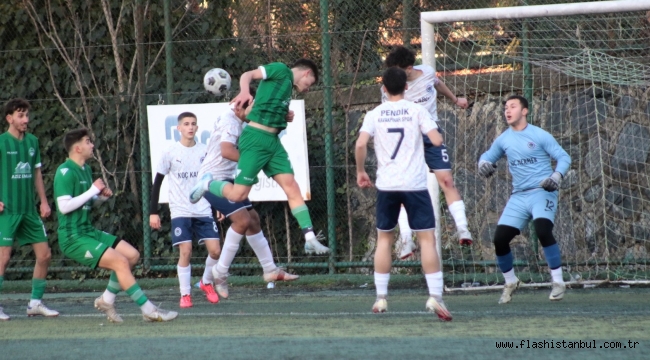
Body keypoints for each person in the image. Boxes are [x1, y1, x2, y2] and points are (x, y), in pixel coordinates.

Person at [190, 58, 329, 255]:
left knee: (292, 186)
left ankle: (310, 238)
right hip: (255, 140)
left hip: (273, 143)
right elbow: (248, 75)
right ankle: (207, 184)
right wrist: (245, 91)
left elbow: (266, 108)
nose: (307, 89)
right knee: (239, 194)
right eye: (310, 83)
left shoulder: (287, 87)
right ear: (307, 73)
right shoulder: (281, 70)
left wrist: (284, 116)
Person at [355, 67, 452, 321]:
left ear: (383, 88)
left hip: (387, 185)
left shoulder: (374, 114)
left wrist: (361, 171)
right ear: (406, 87)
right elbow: (436, 139)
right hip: (414, 184)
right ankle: (435, 297)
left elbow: (360, 144)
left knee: (384, 240)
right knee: (427, 240)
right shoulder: (417, 110)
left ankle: (381, 298)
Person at [54, 128, 177, 322]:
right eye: (88, 142)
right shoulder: (65, 171)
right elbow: (64, 207)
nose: (92, 145)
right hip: (73, 237)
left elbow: (83, 202)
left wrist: (98, 198)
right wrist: (92, 191)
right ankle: (148, 309)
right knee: (120, 262)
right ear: (77, 148)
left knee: (132, 256)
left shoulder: (85, 169)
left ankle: (107, 299)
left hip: (87, 231)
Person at [196, 91, 298, 299]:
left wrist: (284, 115)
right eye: (251, 107)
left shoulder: (245, 118)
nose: (255, 111)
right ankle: (220, 272)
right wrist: (252, 162)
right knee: (242, 221)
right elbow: (226, 150)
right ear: (238, 108)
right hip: (212, 179)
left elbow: (267, 117)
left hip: (228, 178)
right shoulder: (231, 121)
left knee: (253, 220)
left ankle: (270, 269)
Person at [478, 95, 570, 304]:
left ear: (525, 111)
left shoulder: (539, 135)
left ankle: (558, 282)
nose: (507, 111)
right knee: (499, 239)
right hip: (519, 196)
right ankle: (510, 282)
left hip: (542, 192)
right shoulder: (503, 139)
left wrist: (556, 176)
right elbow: (487, 156)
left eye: (512, 106)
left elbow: (564, 157)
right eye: (505, 108)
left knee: (543, 230)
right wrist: (482, 163)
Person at [383, 46, 472, 259]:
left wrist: (455, 99)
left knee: (447, 181)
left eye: (397, 71)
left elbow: (438, 83)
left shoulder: (427, 73)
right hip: (406, 140)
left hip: (430, 133)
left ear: (409, 68)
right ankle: (406, 240)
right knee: (402, 188)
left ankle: (462, 228)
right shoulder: (390, 86)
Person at [149, 112, 221, 308]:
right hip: (180, 210)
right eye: (186, 124)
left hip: (203, 209)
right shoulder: (170, 152)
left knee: (215, 252)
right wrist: (153, 212)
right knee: (186, 252)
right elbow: (157, 183)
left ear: (197, 128)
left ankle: (206, 282)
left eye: (193, 124)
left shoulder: (205, 151)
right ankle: (185, 294)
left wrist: (219, 205)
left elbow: (210, 182)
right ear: (179, 128)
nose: (190, 127)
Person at [0, 98, 58, 321]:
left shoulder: (32, 142)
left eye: (26, 115)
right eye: (21, 115)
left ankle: (35, 303)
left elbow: (36, 174)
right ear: (9, 118)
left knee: (45, 255)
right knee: (3, 258)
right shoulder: (2, 142)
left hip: (29, 211)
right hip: (7, 212)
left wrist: (43, 201)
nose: (26, 120)